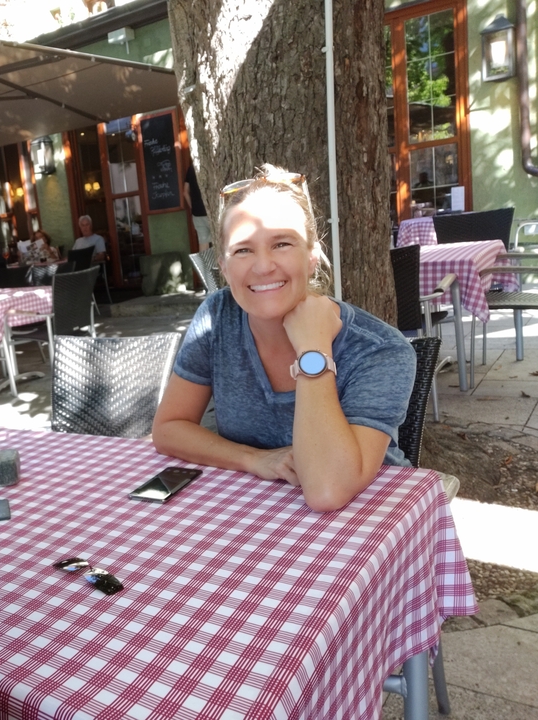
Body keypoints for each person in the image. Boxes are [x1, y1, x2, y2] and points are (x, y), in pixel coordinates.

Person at [152, 165, 416, 512]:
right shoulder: (218, 317)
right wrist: (255, 459)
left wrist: (313, 349)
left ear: (311, 257)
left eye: (281, 243)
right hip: (254, 511)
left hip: (367, 520)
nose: (263, 266)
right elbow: (169, 429)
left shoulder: (381, 350)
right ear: (224, 266)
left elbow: (327, 491)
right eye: (243, 250)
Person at [183, 164, 211, 249]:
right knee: (220, 242)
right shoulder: (211, 164)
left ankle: (203, 262)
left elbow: (185, 192)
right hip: (212, 212)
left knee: (203, 242)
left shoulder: (191, 168)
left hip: (197, 214)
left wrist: (193, 207)